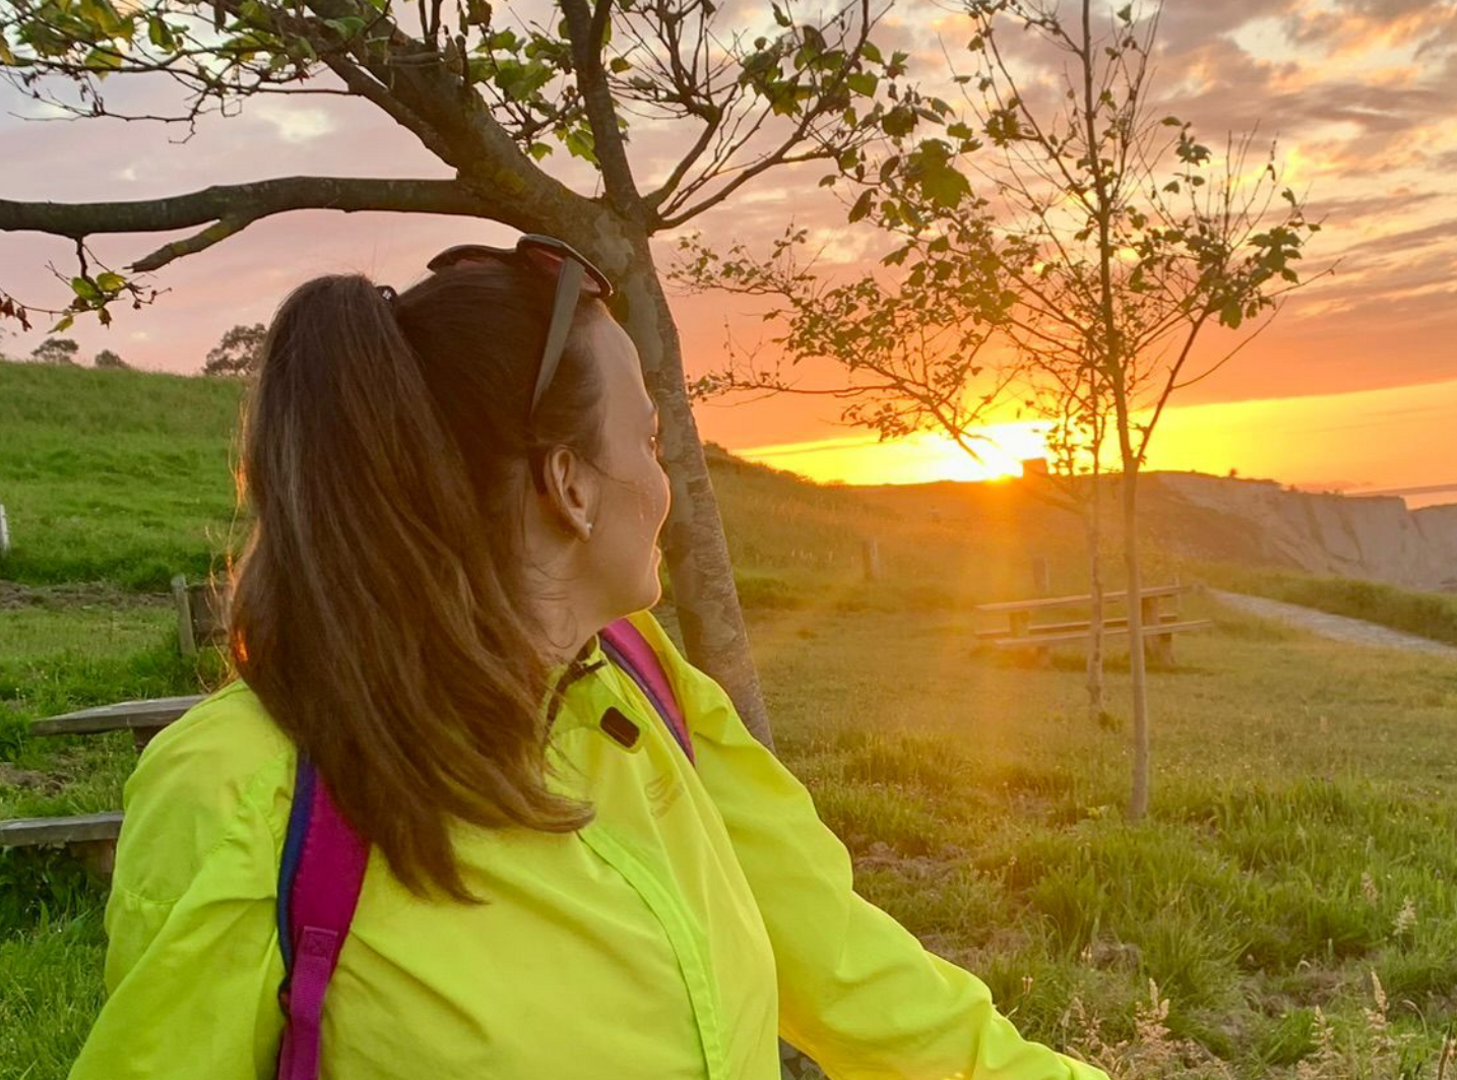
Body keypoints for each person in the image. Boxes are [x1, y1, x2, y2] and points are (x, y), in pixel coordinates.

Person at [68, 236, 1108, 1080]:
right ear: (568, 483)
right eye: (648, 442)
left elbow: (844, 965)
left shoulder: (647, 685)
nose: (665, 489)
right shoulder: (244, 795)